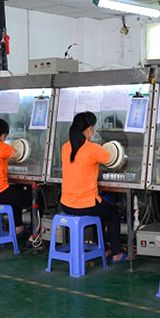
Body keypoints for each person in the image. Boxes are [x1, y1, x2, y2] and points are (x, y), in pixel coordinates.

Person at [60, 112, 126, 263]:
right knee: (113, 213)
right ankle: (116, 253)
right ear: (89, 129)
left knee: (102, 207)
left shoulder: (65, 147)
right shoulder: (92, 148)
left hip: (66, 204)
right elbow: (113, 159)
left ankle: (103, 248)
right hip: (85, 204)